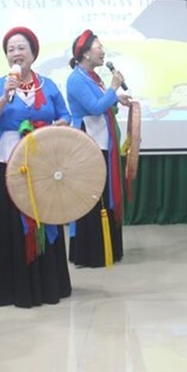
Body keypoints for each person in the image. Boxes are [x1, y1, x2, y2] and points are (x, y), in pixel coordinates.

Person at [0, 27, 72, 307]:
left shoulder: (49, 86)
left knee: (45, 216)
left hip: (44, 163)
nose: (16, 53)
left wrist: (59, 124)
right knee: (12, 221)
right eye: (11, 49)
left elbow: (65, 115)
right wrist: (5, 96)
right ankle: (12, 288)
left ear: (33, 53)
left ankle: (47, 283)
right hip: (10, 161)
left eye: (22, 48)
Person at [66, 29, 130, 268]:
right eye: (98, 47)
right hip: (88, 144)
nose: (103, 51)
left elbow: (104, 104)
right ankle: (89, 253)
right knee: (92, 197)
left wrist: (116, 98)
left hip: (103, 141)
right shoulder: (75, 79)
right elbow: (93, 107)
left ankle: (107, 249)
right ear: (84, 53)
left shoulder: (93, 77)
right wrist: (114, 88)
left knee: (104, 194)